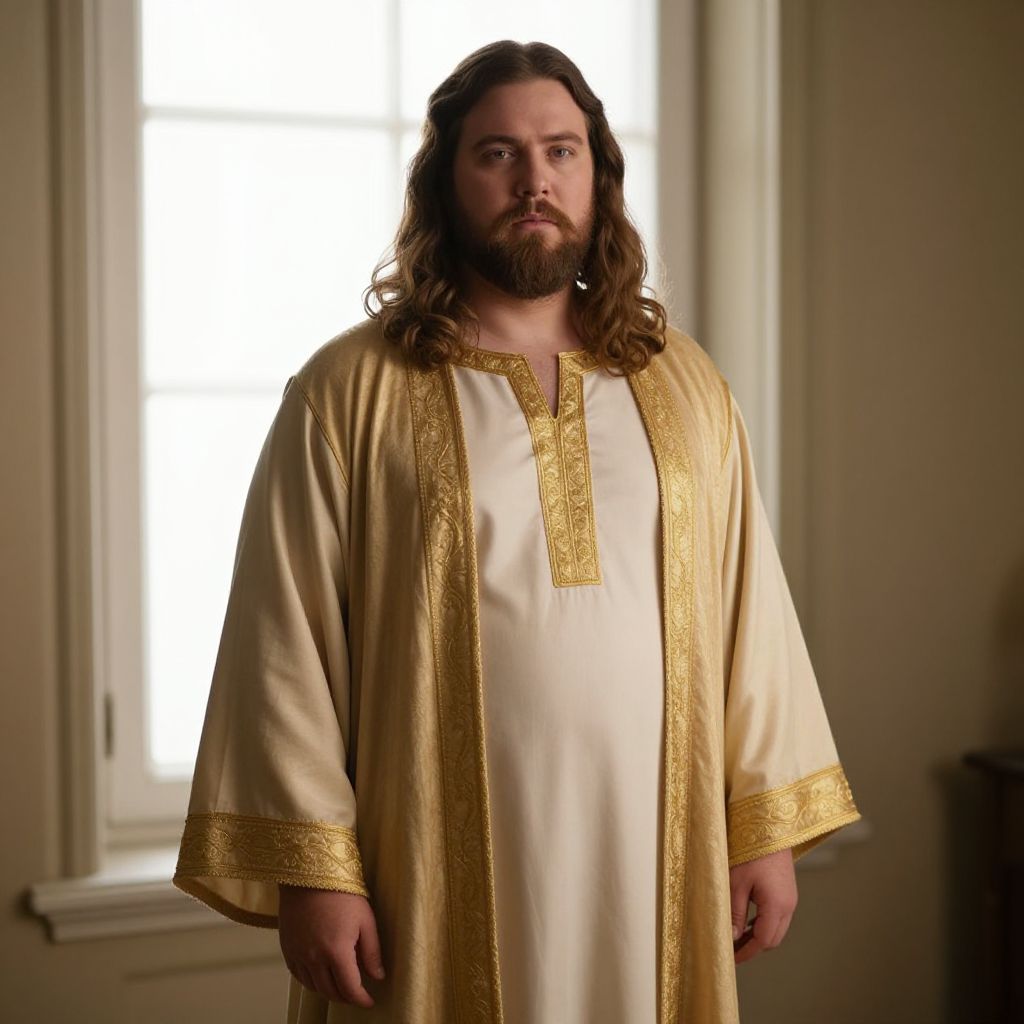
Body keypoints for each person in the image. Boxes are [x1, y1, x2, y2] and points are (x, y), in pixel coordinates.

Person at [173, 39, 861, 1024]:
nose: (533, 179)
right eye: (498, 153)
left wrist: (760, 830)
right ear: (445, 179)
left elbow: (751, 620)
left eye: (561, 151)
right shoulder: (348, 392)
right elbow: (281, 642)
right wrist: (315, 870)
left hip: (653, 867)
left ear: (598, 176)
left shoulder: (685, 386)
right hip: (424, 877)